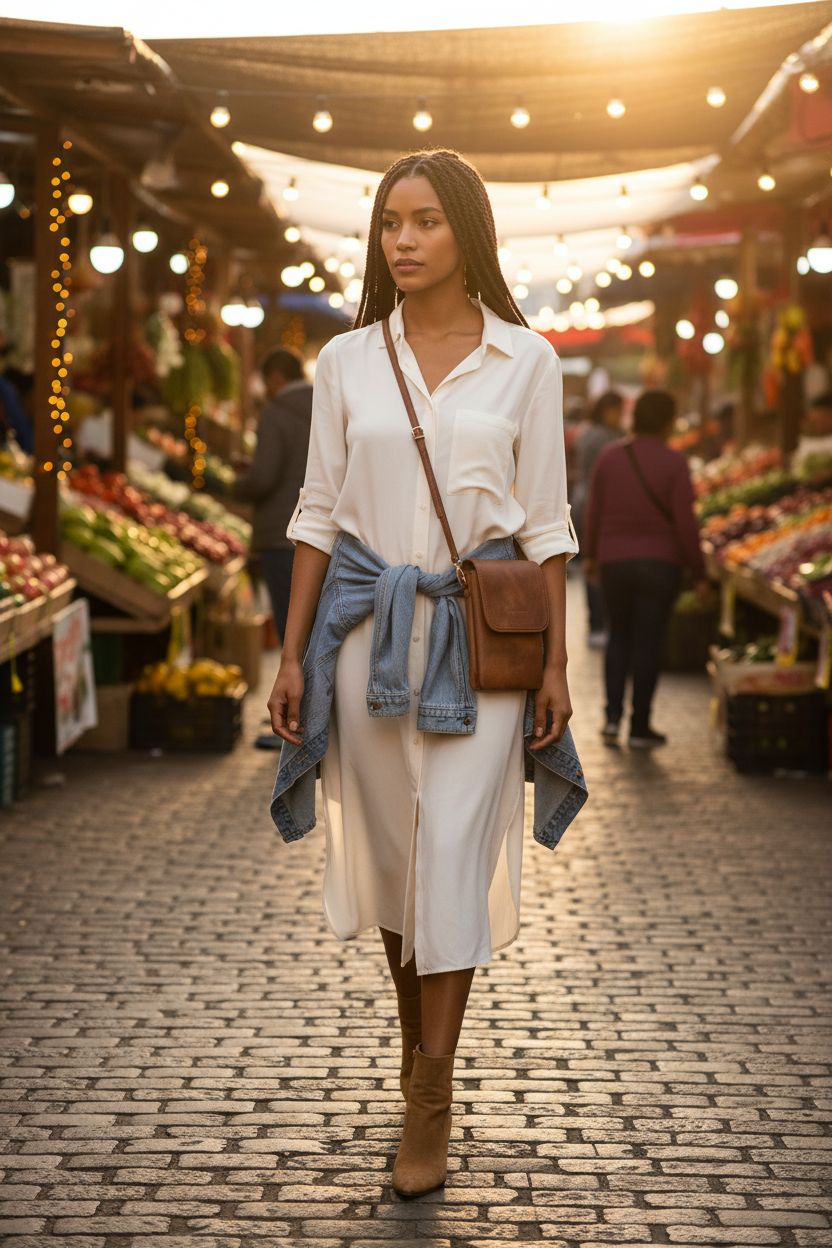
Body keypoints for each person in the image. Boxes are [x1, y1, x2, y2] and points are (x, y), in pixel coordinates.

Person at [265, 149, 583, 1199]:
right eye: (390, 222)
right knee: (404, 866)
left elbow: (544, 527)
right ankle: (421, 1060)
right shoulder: (346, 361)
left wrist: (558, 668)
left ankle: (429, 1094)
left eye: (425, 222)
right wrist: (291, 654)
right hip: (363, 642)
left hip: (480, 651)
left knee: (449, 853)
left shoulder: (526, 361)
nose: (402, 240)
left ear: (466, 234)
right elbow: (316, 513)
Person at [583, 389, 709, 749]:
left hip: (614, 562)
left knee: (617, 636)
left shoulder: (610, 457)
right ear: (668, 421)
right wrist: (699, 573)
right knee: (649, 642)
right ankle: (639, 726)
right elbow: (686, 524)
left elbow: (594, 511)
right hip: (660, 564)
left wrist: (591, 555)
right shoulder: (674, 462)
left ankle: (610, 720)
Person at [233, 346, 313, 644]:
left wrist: (238, 484)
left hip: (281, 534)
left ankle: (297, 688)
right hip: (321, 533)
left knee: (290, 629)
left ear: (277, 379)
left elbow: (264, 477)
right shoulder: (325, 405)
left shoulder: (276, 412)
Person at [571, 390, 625, 646]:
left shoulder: (587, 433)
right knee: (594, 564)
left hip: (585, 500)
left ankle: (598, 623)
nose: (621, 416)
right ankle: (599, 623)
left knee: (591, 563)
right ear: (607, 410)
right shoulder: (605, 439)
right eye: (618, 411)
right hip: (599, 504)